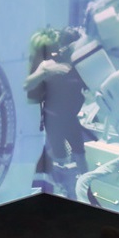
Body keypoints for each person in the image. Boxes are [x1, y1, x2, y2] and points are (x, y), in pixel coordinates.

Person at [24, 26, 89, 196]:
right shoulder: (50, 64)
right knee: (60, 157)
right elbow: (27, 85)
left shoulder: (79, 65)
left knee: (81, 156)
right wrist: (46, 71)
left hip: (70, 117)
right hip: (53, 119)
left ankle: (86, 190)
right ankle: (59, 187)